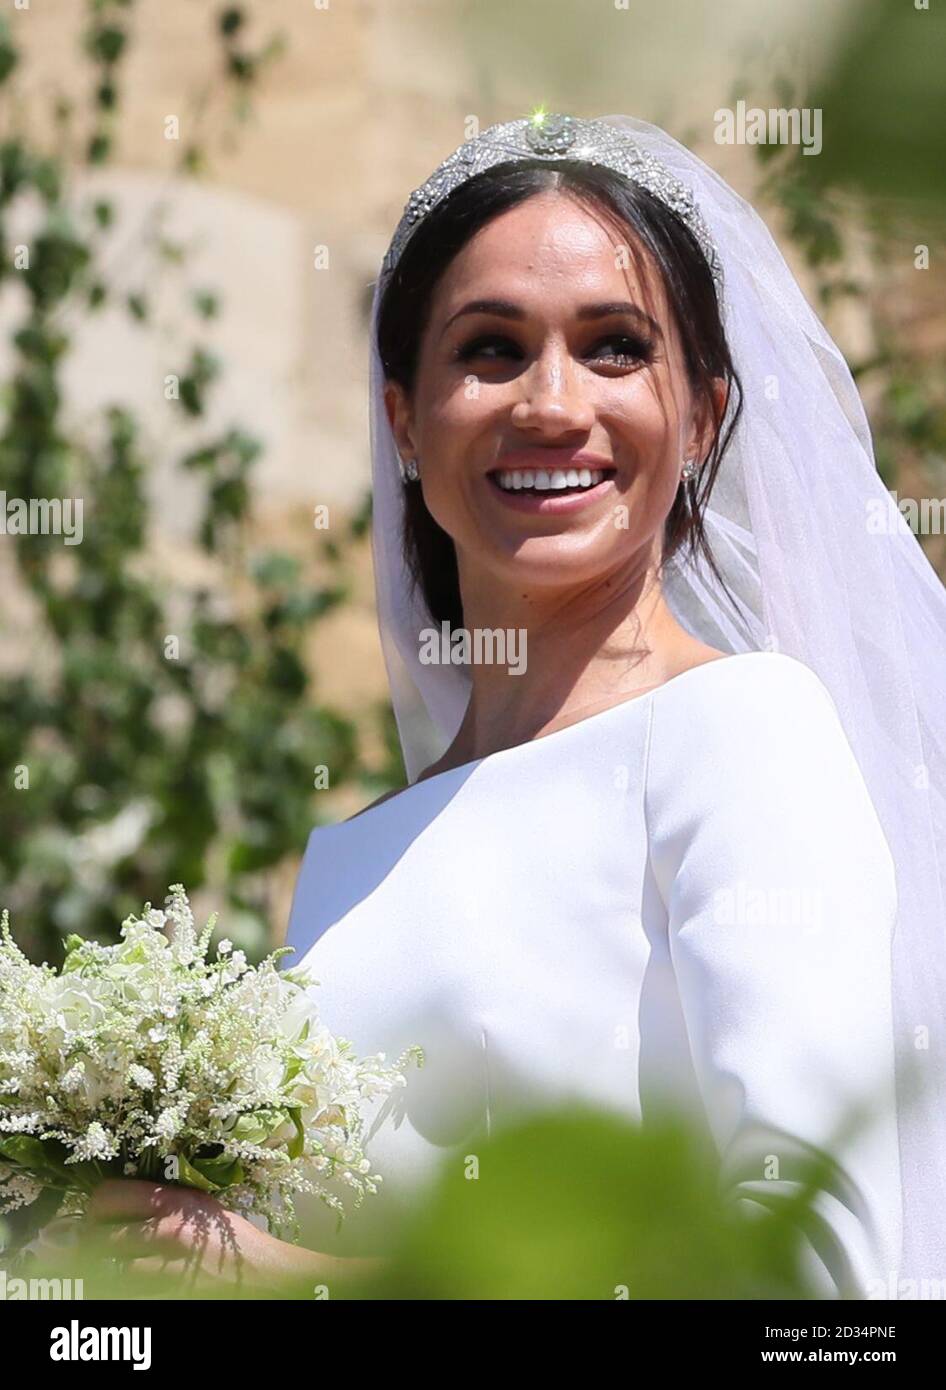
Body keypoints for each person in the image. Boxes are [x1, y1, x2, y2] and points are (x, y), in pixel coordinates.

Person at [86, 113, 946, 1300]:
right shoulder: (345, 865)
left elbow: (815, 1273)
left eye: (613, 348)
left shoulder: (743, 733)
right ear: (403, 418)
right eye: (489, 349)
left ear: (700, 415)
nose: (551, 403)